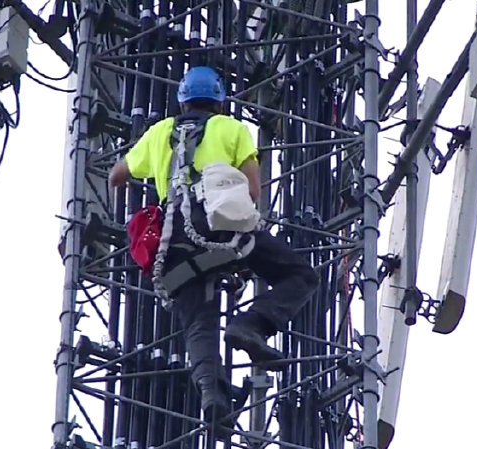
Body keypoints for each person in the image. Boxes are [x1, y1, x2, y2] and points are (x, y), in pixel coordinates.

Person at [108, 66, 320, 429]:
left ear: (182, 99)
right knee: (301, 275)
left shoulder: (159, 133)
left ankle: (213, 397)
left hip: (174, 240)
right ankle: (249, 326)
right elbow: (253, 190)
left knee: (198, 325)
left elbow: (117, 176)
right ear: (219, 100)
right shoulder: (232, 129)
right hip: (222, 226)